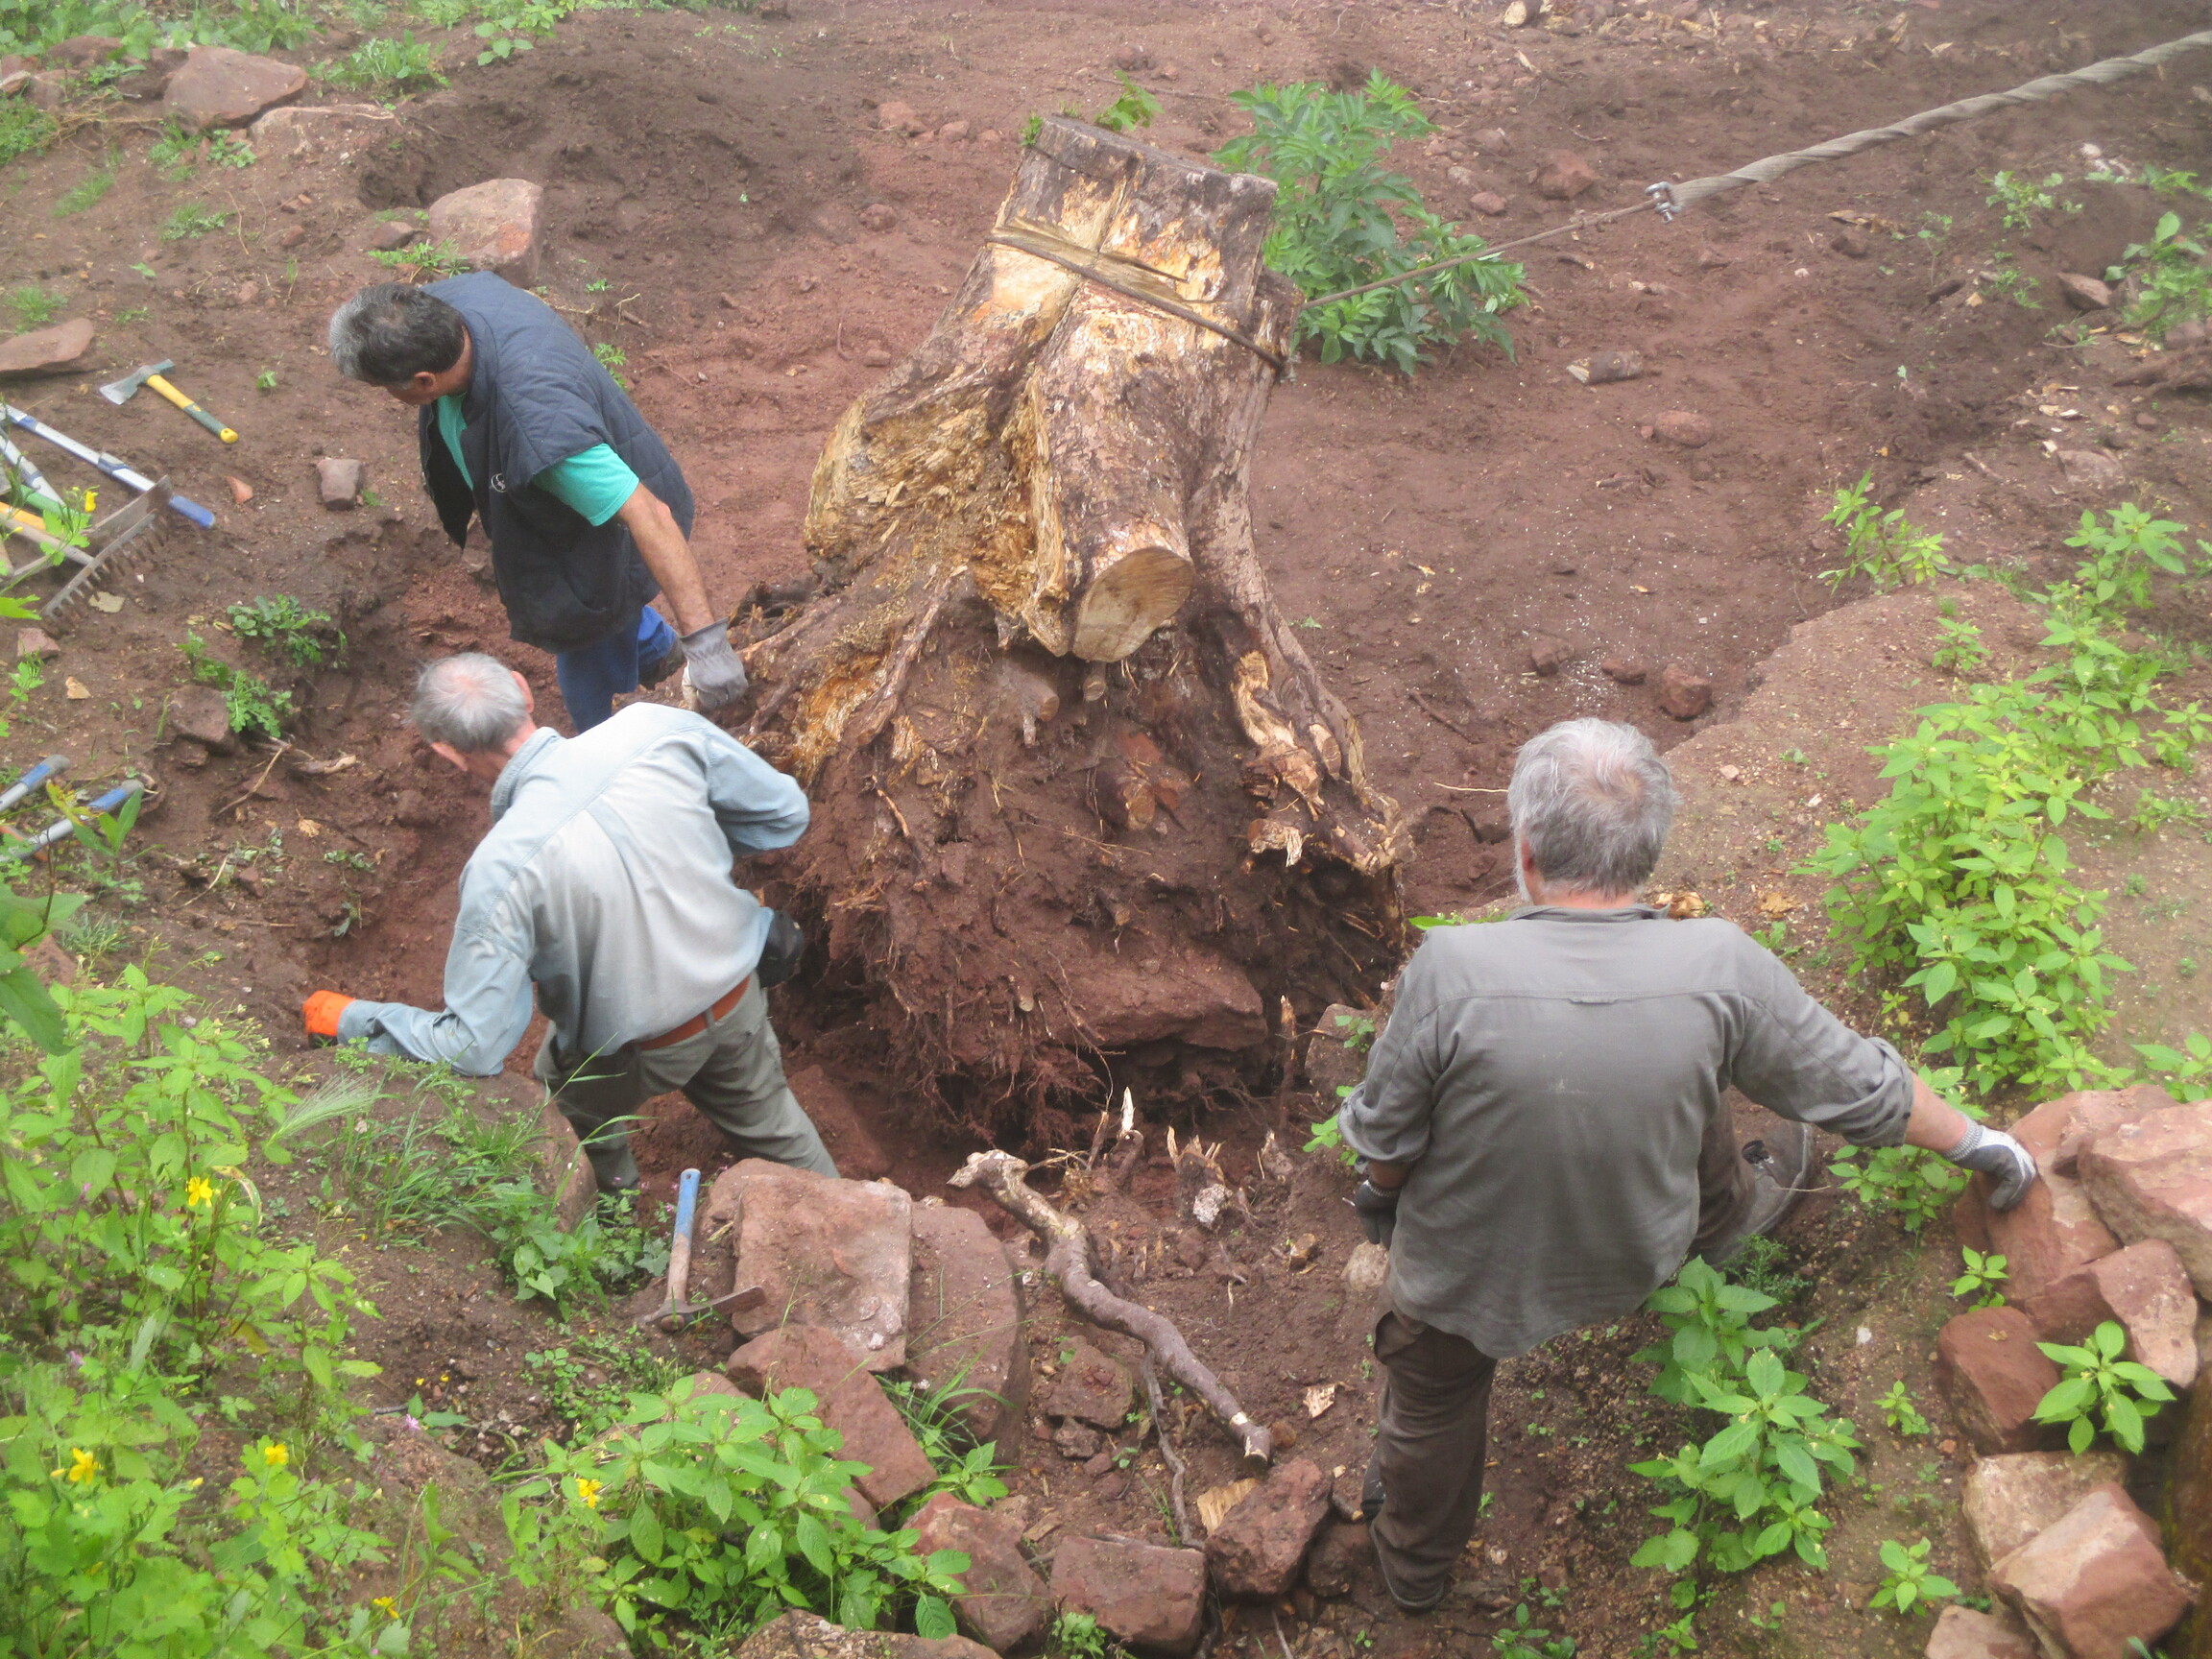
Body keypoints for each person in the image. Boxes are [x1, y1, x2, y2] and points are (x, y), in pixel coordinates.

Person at [1338, 717, 2038, 1614]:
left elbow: (1388, 1138)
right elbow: (1856, 1082)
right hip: (1640, 1250)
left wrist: (1380, 1198)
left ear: (1526, 851)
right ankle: (1723, 1221)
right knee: (1693, 1058)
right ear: (1647, 853)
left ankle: (1413, 1575)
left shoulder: (1451, 970)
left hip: (1471, 1283)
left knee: (1430, 1405)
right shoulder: (1717, 961)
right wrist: (1980, 1142)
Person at [301, 652, 835, 1190]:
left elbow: (475, 1044)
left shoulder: (500, 869)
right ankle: (852, 1212)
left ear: (448, 752)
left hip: (637, 1051)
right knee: (778, 1131)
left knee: (563, 1106)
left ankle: (615, 1211)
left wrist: (352, 1020)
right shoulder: (657, 728)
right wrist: (690, 856)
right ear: (522, 689)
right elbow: (785, 814)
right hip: (739, 995)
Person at [327, 276, 749, 732]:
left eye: (385, 387)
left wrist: (707, 647)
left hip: (596, 540)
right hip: (563, 496)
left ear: (424, 380)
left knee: (587, 647)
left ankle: (607, 741)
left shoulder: (542, 436)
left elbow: (650, 516)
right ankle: (655, 651)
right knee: (612, 613)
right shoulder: (446, 306)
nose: (387, 396)